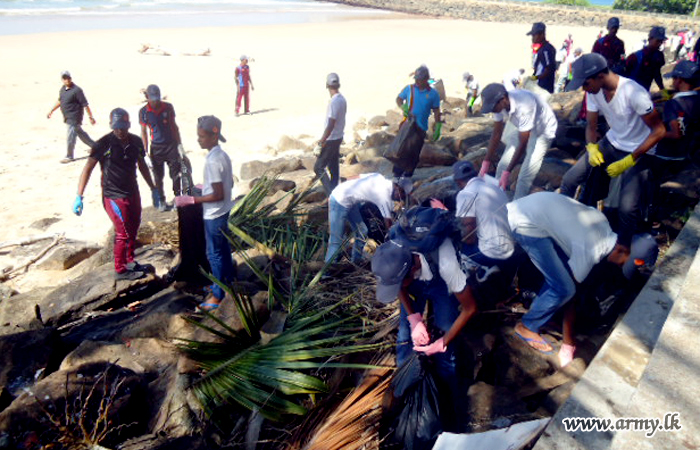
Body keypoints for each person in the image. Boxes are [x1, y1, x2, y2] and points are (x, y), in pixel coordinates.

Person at [506, 192, 658, 366]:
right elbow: (571, 296)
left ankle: (542, 312)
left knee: (559, 276)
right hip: (525, 221)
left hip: (534, 207)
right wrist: (568, 344)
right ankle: (526, 326)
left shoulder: (604, 229)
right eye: (627, 262)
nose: (622, 267)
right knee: (564, 288)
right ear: (621, 250)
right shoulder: (590, 251)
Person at [371, 234, 478, 428]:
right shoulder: (393, 252)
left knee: (447, 347)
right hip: (415, 278)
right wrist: (414, 320)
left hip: (440, 281)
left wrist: (443, 341)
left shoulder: (447, 265)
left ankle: (446, 403)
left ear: (412, 269)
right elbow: (400, 287)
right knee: (405, 340)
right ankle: (405, 393)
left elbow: (470, 308)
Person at [561, 53, 665, 249]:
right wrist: (591, 147)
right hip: (612, 142)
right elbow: (591, 127)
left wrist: (630, 160)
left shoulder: (634, 93)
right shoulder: (594, 92)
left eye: (585, 83)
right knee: (569, 180)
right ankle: (563, 223)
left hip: (638, 150)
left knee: (627, 208)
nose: (583, 88)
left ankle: (622, 248)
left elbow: (659, 131)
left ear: (600, 76)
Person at [73, 108, 158, 281]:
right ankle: (120, 269)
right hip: (113, 195)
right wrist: (79, 196)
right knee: (123, 232)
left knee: (134, 227)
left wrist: (153, 188)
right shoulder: (103, 144)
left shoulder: (135, 142)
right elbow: (87, 169)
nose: (120, 131)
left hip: (132, 192)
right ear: (112, 125)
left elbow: (141, 164)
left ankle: (130, 261)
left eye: (123, 127)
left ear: (128, 125)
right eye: (117, 127)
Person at [175, 116, 236, 311]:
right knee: (223, 249)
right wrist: (205, 187)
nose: (199, 140)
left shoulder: (212, 161)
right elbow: (228, 184)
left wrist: (193, 199)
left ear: (213, 136)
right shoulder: (221, 155)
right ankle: (225, 283)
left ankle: (218, 296)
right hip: (224, 210)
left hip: (214, 213)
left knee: (214, 254)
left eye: (202, 136)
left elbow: (217, 194)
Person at [478, 83, 557, 199]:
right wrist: (486, 162)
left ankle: (516, 209)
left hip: (543, 131)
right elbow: (496, 134)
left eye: (493, 107)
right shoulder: (499, 105)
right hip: (522, 127)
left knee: (524, 176)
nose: (493, 111)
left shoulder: (524, 105)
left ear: (503, 99)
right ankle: (497, 200)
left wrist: (508, 172)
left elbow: (522, 144)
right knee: (501, 166)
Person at [325, 174, 411, 264]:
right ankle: (327, 271)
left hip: (350, 200)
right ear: (397, 187)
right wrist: (394, 240)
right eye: (402, 195)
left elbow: (355, 177)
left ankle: (356, 261)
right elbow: (388, 223)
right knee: (336, 239)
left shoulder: (379, 177)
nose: (400, 199)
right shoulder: (383, 195)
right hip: (339, 200)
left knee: (362, 231)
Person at [453, 161, 515, 266]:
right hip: (511, 250)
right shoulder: (496, 188)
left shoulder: (466, 194)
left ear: (458, 181)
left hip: (490, 255)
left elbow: (469, 234)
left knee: (453, 247)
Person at [139, 84, 183, 210]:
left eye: (157, 99)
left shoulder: (168, 107)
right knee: (158, 177)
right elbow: (144, 132)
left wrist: (179, 145)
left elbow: (174, 126)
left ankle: (177, 199)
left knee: (175, 175)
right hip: (156, 148)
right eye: (152, 99)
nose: (155, 102)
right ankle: (162, 201)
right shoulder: (143, 112)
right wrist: (145, 152)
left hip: (171, 145)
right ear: (147, 97)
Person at [654, 61, 700, 181]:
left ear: (679, 80)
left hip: (666, 155)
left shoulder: (673, 104)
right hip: (686, 155)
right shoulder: (697, 99)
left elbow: (676, 134)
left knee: (654, 186)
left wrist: (654, 132)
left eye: (674, 78)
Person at [394, 65, 442, 178]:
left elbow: (436, 110)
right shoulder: (409, 89)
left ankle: (408, 175)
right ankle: (396, 175)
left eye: (419, 79)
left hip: (421, 128)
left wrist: (438, 126)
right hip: (408, 125)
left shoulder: (433, 94)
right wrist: (403, 107)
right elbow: (399, 99)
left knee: (414, 154)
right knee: (401, 150)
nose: (417, 82)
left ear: (426, 79)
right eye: (416, 79)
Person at [47, 70, 96, 164]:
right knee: (81, 133)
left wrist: (91, 117)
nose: (67, 80)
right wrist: (51, 110)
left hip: (74, 117)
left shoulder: (77, 90)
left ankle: (69, 156)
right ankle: (97, 147)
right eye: (65, 78)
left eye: (68, 78)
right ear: (62, 79)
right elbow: (60, 101)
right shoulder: (62, 89)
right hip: (67, 116)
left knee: (71, 136)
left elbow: (85, 104)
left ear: (71, 78)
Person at [314, 73, 347, 195]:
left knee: (318, 167)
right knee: (333, 168)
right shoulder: (342, 99)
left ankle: (331, 195)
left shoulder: (334, 102)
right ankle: (335, 191)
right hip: (338, 137)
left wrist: (322, 141)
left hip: (332, 139)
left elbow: (331, 123)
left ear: (327, 85)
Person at [625, 26, 667, 92]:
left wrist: (664, 92)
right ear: (650, 39)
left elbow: (657, 75)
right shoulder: (635, 57)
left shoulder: (659, 56)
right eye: (657, 41)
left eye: (661, 42)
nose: (659, 44)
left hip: (644, 92)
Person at [527, 22, 557, 93]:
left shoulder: (546, 49)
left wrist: (535, 78)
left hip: (543, 86)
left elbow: (548, 69)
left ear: (542, 35)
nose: (532, 38)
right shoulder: (542, 48)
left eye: (534, 35)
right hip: (539, 84)